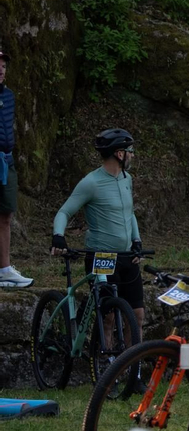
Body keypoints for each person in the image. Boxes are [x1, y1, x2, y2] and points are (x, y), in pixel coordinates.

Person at [52, 129, 144, 334]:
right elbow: (64, 212)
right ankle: (103, 363)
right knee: (108, 316)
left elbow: (128, 213)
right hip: (102, 257)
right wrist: (58, 236)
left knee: (137, 316)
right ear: (119, 154)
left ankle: (132, 365)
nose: (133, 155)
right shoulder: (91, 182)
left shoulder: (127, 178)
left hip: (128, 256)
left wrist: (136, 239)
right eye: (130, 151)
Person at [0, 48, 28, 287]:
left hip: (6, 160)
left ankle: (5, 268)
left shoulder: (9, 96)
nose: (1, 69)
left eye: (4, 65)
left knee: (6, 215)